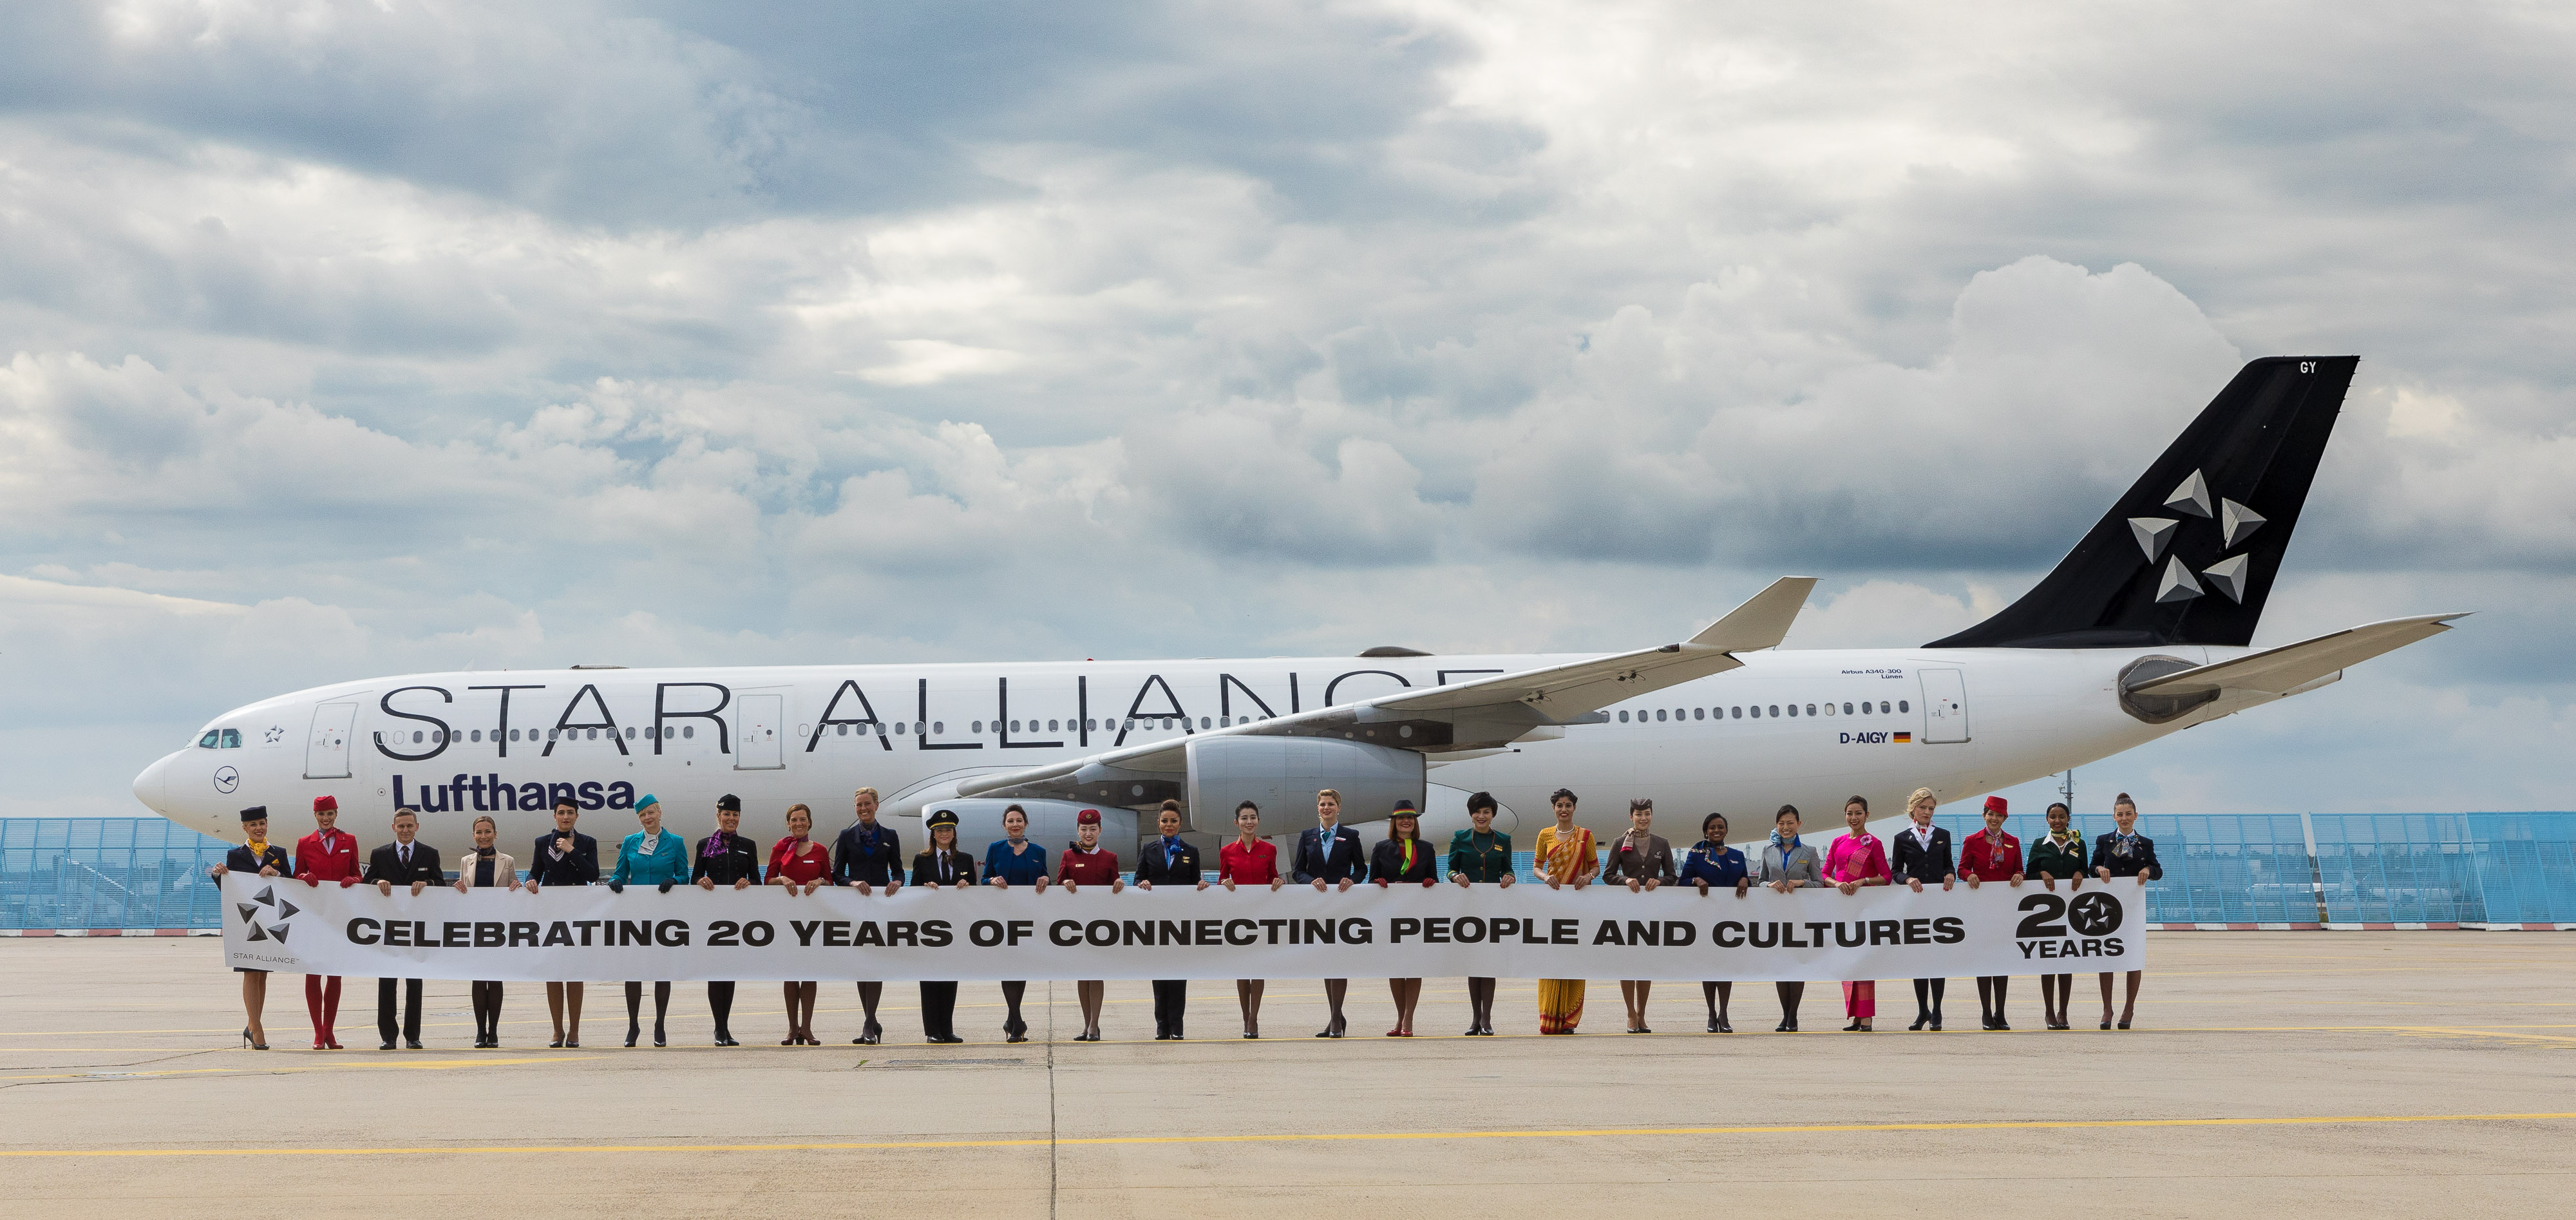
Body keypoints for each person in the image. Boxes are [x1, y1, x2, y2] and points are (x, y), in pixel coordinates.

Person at [611, 793, 690, 1047]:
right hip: (635, 914)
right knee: (633, 971)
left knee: (660, 971)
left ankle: (659, 1024)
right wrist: (616, 881)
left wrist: (674, 881)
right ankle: (633, 1025)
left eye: (651, 813)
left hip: (664, 913)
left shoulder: (675, 842)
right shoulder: (630, 841)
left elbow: (684, 875)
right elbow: (621, 872)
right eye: (643, 815)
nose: (647, 818)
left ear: (660, 813)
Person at [209, 805, 290, 1049]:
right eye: (253, 825)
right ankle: (257, 1028)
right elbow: (230, 890)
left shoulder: (278, 853)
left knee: (262, 974)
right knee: (250, 972)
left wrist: (276, 872)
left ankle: (252, 1024)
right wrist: (218, 875)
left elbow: (291, 885)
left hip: (271, 921)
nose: (258, 828)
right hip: (247, 922)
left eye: (262, 823)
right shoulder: (235, 855)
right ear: (245, 828)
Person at [1290, 788, 1367, 1038]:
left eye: (1331, 804)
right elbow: (1298, 871)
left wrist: (1351, 880)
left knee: (1339, 960)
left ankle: (1335, 1021)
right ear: (1318, 808)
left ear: (1339, 807)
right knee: (1326, 961)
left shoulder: (1350, 835)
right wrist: (1310, 882)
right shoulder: (1307, 836)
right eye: (1323, 804)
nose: (1326, 808)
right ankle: (1337, 1016)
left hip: (1342, 903)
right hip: (1318, 904)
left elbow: (1361, 869)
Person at [523, 797, 600, 1047]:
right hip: (550, 911)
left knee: (574, 972)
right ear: (554, 817)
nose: (565, 817)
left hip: (577, 911)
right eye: (561, 813)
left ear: (577, 816)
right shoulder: (542, 842)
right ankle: (557, 1030)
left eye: (570, 813)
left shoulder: (588, 842)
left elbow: (593, 874)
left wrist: (572, 851)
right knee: (554, 971)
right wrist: (531, 880)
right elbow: (536, 870)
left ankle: (575, 1031)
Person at [365, 808, 442, 1050]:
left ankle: (413, 1036)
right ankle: (388, 1036)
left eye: (410, 826)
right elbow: (366, 882)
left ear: (417, 827)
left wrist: (427, 883)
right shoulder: (380, 855)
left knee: (414, 984)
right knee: (387, 983)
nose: (406, 830)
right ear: (393, 828)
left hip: (417, 929)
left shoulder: (429, 854)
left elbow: (440, 883)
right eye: (401, 826)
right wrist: (378, 882)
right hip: (388, 929)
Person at [831, 786, 904, 1045]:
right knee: (862, 965)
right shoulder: (847, 836)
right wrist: (852, 883)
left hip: (881, 906)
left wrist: (897, 881)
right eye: (859, 805)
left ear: (877, 805)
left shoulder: (890, 836)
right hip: (856, 905)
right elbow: (837, 874)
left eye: (867, 804)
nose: (863, 809)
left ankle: (869, 1024)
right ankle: (871, 1023)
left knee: (875, 963)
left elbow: (898, 871)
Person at [1599, 797, 1676, 1034]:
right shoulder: (1620, 842)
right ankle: (1630, 1014)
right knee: (1627, 963)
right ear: (1631, 816)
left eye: (1647, 814)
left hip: (1652, 910)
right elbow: (1608, 875)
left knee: (1645, 964)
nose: (1643, 818)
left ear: (1652, 816)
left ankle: (1642, 1015)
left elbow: (1673, 876)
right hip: (1626, 909)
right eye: (1639, 814)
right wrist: (1626, 880)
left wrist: (1660, 880)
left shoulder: (1662, 843)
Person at [291, 794, 361, 1050]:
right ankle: (317, 1033)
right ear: (315, 816)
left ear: (336, 814)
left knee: (335, 974)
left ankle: (330, 1031)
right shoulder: (304, 843)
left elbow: (357, 872)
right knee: (313, 973)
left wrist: (354, 880)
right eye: (322, 814)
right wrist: (303, 876)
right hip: (314, 915)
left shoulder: (349, 840)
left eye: (330, 813)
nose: (326, 818)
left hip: (340, 915)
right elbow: (294, 875)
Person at [1132, 799, 1206, 1039]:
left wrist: (1202, 885)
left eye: (1173, 821)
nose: (1169, 825)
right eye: (1165, 821)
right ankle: (1161, 1026)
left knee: (1178, 976)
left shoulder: (1191, 852)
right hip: (1155, 923)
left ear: (1180, 824)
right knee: (1159, 975)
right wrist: (1141, 884)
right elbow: (1137, 880)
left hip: (1181, 922)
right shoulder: (1148, 849)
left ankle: (1177, 1027)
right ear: (1159, 823)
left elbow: (1196, 882)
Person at [692, 794, 762, 1047]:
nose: (731, 819)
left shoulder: (748, 844)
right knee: (715, 971)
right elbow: (696, 877)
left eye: (735, 815)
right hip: (713, 916)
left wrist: (749, 882)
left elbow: (757, 878)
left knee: (730, 971)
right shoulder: (705, 845)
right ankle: (718, 1029)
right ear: (718, 816)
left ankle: (726, 1027)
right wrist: (700, 880)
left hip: (737, 916)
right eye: (727, 815)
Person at [1445, 790, 1515, 1036]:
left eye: (1486, 812)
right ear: (1471, 814)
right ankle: (1475, 1018)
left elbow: (1509, 870)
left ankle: (1487, 1019)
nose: (1481, 816)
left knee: (1489, 963)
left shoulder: (1503, 839)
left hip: (1494, 907)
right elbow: (1450, 869)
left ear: (1493, 815)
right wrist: (1455, 877)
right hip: (1468, 908)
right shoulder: (1460, 838)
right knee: (1474, 964)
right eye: (1477, 812)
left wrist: (1510, 877)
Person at [2093, 793, 2163, 1030]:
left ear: (2136, 816)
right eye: (2120, 814)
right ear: (2114, 816)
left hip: (2133, 907)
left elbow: (2157, 869)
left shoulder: (2146, 843)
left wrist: (2147, 870)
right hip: (2108, 906)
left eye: (2128, 814)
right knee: (2107, 956)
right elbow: (2091, 866)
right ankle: (2107, 1008)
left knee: (2133, 956)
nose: (2124, 818)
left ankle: (2129, 1007)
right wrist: (2100, 868)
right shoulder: (2104, 841)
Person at [982, 804, 1051, 1043]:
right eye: (1010, 821)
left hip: (1028, 917)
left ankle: (1013, 1021)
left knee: (1020, 968)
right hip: (1002, 917)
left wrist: (1046, 878)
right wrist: (991, 879)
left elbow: (1045, 877)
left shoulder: (1038, 851)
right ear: (1004, 825)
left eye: (1019, 820)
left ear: (1026, 824)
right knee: (1008, 967)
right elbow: (983, 878)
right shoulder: (995, 848)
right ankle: (1017, 1022)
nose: (1015, 825)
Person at [1889, 788, 1956, 1031]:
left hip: (1939, 902)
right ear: (1913, 810)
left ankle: (1937, 1009)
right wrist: (1907, 879)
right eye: (1923, 808)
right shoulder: (1901, 838)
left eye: (1931, 809)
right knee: (1919, 959)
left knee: (1937, 958)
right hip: (1915, 903)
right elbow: (1895, 871)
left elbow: (1949, 865)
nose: (1927, 813)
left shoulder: (1943, 835)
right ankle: (1922, 1010)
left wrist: (1950, 874)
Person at [1676, 812, 1751, 1032]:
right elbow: (1682, 881)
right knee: (1710, 968)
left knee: (1726, 968)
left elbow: (1744, 878)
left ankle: (1724, 1014)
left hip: (1730, 919)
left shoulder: (1738, 855)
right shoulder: (1696, 853)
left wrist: (1746, 879)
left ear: (1726, 830)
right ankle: (1711, 1014)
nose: (1716, 831)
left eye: (1720, 827)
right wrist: (1696, 880)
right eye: (1712, 828)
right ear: (1705, 831)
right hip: (1706, 918)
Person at [1370, 800, 1439, 1037]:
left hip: (1417, 914)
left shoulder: (1427, 848)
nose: (1406, 822)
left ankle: (1409, 1017)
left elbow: (1434, 880)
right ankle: (1400, 1016)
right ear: (1394, 822)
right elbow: (1372, 881)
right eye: (1401, 818)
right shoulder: (1381, 847)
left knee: (1414, 965)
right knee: (1396, 967)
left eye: (1410, 818)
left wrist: (1430, 883)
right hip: (1391, 915)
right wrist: (1378, 883)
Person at [1055, 808, 1124, 1041]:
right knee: (1082, 975)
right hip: (1076, 923)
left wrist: (1119, 883)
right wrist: (1066, 882)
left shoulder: (1109, 857)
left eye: (1093, 829)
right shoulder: (1068, 856)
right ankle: (1086, 1025)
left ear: (1100, 831)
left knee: (1096, 973)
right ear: (1078, 831)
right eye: (1084, 829)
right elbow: (1059, 881)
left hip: (1100, 924)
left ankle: (1095, 1025)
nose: (1088, 833)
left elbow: (1114, 881)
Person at [451, 814, 520, 1047]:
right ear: (473, 835)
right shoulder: (466, 861)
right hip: (475, 928)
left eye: (488, 831)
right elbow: (464, 892)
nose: (483, 836)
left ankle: (494, 1031)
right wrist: (457, 888)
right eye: (479, 832)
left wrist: (516, 888)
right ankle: (481, 1031)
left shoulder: (508, 861)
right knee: (478, 980)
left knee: (495, 980)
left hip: (498, 928)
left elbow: (513, 892)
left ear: (495, 834)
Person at [1533, 788, 1597, 1034]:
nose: (1563, 809)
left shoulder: (1585, 836)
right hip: (1551, 904)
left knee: (1574, 960)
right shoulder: (1545, 835)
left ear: (1574, 808)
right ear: (1553, 809)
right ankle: (1549, 1017)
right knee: (1550, 959)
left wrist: (1588, 877)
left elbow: (1595, 867)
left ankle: (1570, 1020)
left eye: (1568, 805)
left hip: (1577, 904)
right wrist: (1545, 877)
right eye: (1559, 805)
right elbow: (1536, 867)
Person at [1958, 795, 2024, 1031]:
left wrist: (2020, 875)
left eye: (1999, 815)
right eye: (1991, 814)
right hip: (1981, 907)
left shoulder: (2013, 842)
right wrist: (1969, 875)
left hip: (2005, 908)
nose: (1994, 819)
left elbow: (2019, 868)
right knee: (1985, 961)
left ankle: (2001, 1012)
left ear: (2005, 818)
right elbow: (1962, 868)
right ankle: (1986, 1012)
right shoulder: (1972, 840)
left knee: (2002, 961)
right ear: (1984, 815)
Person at [1826, 796, 1891, 1031]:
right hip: (1841, 907)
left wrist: (1863, 880)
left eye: (1858, 814)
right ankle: (1854, 1015)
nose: (1854, 818)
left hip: (1864, 909)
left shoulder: (1874, 843)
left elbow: (1886, 877)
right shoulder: (1837, 842)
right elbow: (1825, 873)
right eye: (1850, 813)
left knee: (1863, 961)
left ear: (1867, 815)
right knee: (1847, 961)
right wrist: (1835, 884)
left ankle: (1866, 1017)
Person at [912, 808, 977, 1044]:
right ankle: (932, 1030)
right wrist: (925, 887)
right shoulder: (922, 859)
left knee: (950, 978)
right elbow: (914, 891)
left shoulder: (965, 859)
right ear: (933, 834)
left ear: (954, 833)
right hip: (930, 928)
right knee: (930, 979)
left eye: (948, 830)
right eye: (940, 830)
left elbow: (974, 890)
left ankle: (947, 1029)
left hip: (955, 927)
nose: (944, 834)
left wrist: (966, 883)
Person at [1218, 800, 1282, 1038]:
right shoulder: (1227, 851)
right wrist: (1223, 882)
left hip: (1262, 915)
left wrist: (1279, 882)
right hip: (1238, 917)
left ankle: (1254, 1019)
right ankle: (1245, 1017)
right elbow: (1222, 879)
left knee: (1259, 968)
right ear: (1237, 823)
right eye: (1244, 818)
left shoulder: (1269, 848)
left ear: (1258, 821)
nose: (1249, 822)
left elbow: (1274, 876)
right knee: (1242, 970)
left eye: (1253, 818)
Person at [1757, 805, 1823, 1032]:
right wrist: (1769, 884)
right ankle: (1784, 1015)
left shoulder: (1809, 851)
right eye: (1782, 824)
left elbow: (1820, 883)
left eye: (1790, 823)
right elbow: (1761, 881)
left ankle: (1793, 1016)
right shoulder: (1768, 850)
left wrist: (1801, 883)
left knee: (1797, 966)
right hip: (1776, 916)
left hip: (1800, 915)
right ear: (1777, 825)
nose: (1786, 828)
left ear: (1799, 824)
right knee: (1781, 967)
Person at [769, 803, 831, 1045]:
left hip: (813, 919)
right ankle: (792, 1029)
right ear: (788, 823)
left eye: (803, 819)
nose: (798, 823)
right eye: (794, 820)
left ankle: (807, 1028)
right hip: (787, 918)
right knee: (791, 973)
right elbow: (768, 880)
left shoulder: (820, 850)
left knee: (810, 973)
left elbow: (830, 880)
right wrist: (782, 878)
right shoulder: (780, 849)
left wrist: (821, 881)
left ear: (809, 822)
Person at [2027, 801, 2090, 1031]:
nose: (2057, 820)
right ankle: (2049, 1013)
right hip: (2047, 912)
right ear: (2047, 820)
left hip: (2071, 910)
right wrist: (2042, 872)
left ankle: (2064, 1012)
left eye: (2061, 816)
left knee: (2066, 963)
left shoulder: (2078, 843)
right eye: (2053, 817)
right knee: (2049, 962)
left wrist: (2080, 872)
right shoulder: (2039, 844)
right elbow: (2029, 873)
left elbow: (2086, 868)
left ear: (2068, 819)